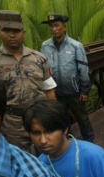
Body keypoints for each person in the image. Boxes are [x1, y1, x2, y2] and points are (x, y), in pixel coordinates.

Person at [0, 10, 57, 152]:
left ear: (24, 33)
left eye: (16, 30)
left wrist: (53, 116)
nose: (12, 35)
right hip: (11, 123)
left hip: (40, 118)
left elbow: (49, 90)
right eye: (6, 30)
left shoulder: (38, 59)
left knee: (48, 156)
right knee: (19, 160)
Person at [40, 14, 95, 143]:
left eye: (57, 25)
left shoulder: (75, 46)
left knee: (82, 118)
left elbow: (83, 69)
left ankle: (90, 141)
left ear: (64, 27)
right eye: (51, 26)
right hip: (56, 93)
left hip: (74, 91)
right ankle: (67, 143)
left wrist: (85, 91)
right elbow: (43, 68)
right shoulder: (45, 46)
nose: (54, 29)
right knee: (61, 120)